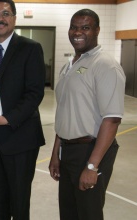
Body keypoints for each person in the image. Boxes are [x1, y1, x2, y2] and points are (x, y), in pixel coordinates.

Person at [0, 0, 46, 219]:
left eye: (5, 13)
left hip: (21, 136)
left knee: (19, 202)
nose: (0, 19)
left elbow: (34, 93)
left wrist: (7, 119)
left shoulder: (30, 48)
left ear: (14, 17)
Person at [48, 9, 126, 220]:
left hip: (91, 150)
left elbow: (112, 119)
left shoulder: (105, 65)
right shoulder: (69, 66)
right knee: (69, 212)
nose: (78, 32)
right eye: (74, 27)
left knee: (88, 213)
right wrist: (56, 154)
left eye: (85, 27)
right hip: (68, 150)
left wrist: (92, 166)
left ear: (97, 30)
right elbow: (65, 112)